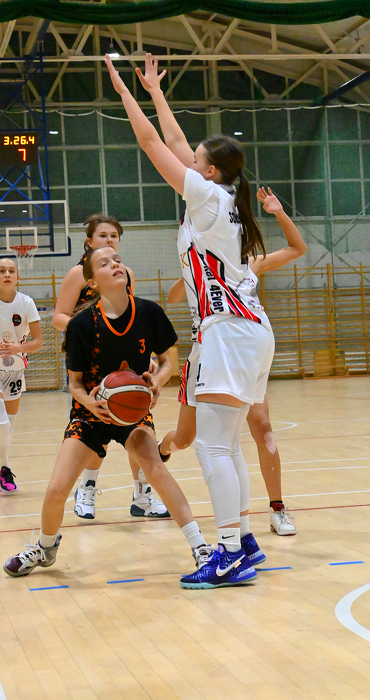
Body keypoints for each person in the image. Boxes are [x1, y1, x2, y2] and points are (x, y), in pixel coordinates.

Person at [106, 53, 276, 589]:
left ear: (209, 171)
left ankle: (227, 554)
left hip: (229, 329)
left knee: (212, 446)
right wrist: (156, 91)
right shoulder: (219, 194)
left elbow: (153, 144)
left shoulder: (207, 197)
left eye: (197, 157)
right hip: (241, 330)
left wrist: (124, 94)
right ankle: (243, 539)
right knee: (225, 442)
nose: (188, 155)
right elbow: (177, 142)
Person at [4, 246, 213, 578]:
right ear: (92, 282)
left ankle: (201, 547)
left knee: (156, 470)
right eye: (104, 263)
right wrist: (92, 403)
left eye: (118, 260)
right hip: (90, 413)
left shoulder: (149, 312)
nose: (115, 264)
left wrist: (157, 380)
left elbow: (167, 363)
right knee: (57, 489)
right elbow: (75, 384)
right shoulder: (81, 325)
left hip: (133, 413)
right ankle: (45, 548)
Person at [160, 187, 306, 536]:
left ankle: (276, 509)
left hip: (241, 352)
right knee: (186, 439)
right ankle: (161, 449)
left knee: (262, 429)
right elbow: (173, 296)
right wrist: (195, 268)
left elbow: (297, 248)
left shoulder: (251, 263)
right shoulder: (201, 261)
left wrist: (278, 212)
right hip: (208, 352)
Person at [53, 213, 169, 520]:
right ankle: (87, 487)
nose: (109, 240)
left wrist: (147, 354)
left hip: (125, 365)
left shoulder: (125, 273)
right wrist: (90, 330)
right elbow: (59, 316)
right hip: (92, 362)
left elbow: (133, 318)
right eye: (103, 235)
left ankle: (142, 494)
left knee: (138, 423)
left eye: (114, 236)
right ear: (89, 241)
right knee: (96, 427)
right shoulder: (79, 273)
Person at [0, 257, 42, 494]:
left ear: (18, 276)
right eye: (1, 270)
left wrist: (18, 348)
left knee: (8, 425)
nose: (7, 274)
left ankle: (1, 466)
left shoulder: (26, 302)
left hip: (15, 368)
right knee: (2, 422)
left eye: (11, 271)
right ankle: (4, 468)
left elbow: (38, 342)